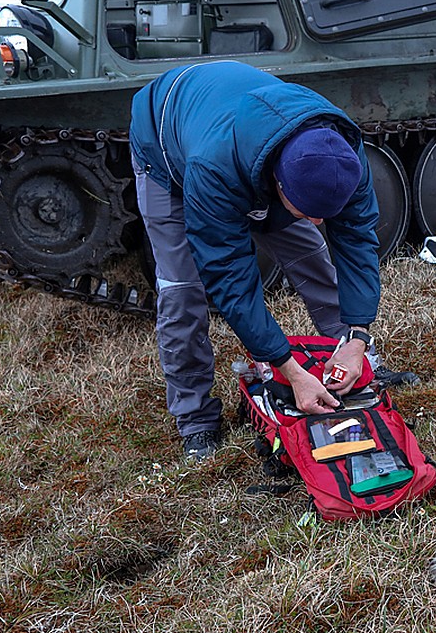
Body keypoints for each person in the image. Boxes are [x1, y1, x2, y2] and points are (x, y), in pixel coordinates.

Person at [130, 61, 407, 461]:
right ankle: (195, 419)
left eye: (326, 213)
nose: (318, 221)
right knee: (183, 292)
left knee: (312, 255)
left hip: (247, 139)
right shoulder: (213, 169)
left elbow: (357, 242)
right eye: (309, 210)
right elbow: (230, 281)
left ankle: (353, 367)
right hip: (167, 149)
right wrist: (289, 370)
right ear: (278, 183)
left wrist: (358, 336)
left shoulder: (341, 156)